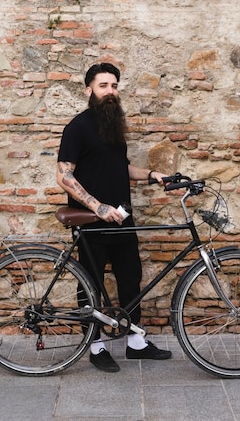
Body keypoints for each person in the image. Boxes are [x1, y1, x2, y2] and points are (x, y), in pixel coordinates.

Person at [56, 62, 172, 373]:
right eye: (104, 85)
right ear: (89, 90)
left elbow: (120, 168)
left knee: (130, 277)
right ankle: (96, 347)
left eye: (114, 86)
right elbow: (64, 175)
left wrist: (151, 175)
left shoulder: (113, 127)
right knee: (91, 284)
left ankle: (136, 342)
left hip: (122, 217)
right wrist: (97, 207)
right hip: (92, 221)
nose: (110, 91)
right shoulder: (77, 127)